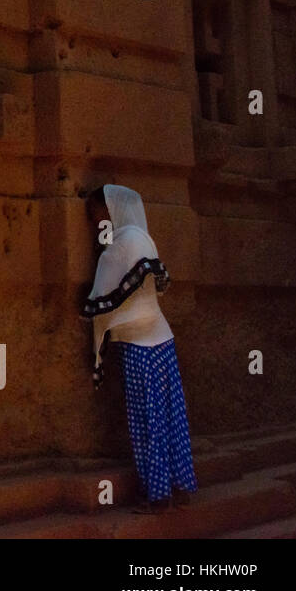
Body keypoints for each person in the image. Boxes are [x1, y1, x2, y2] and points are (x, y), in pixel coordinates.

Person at [81, 185, 198, 513]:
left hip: (138, 346)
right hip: (162, 339)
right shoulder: (144, 238)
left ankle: (157, 495)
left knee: (146, 421)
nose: (95, 221)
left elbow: (102, 295)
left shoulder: (122, 244)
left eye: (97, 213)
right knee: (171, 416)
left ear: (110, 209)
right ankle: (179, 486)